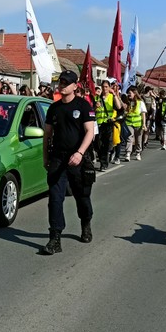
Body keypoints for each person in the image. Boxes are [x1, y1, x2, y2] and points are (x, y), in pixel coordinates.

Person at [41, 70, 95, 255]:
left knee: (82, 197)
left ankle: (85, 223)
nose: (62, 85)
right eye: (60, 82)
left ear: (75, 86)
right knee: (55, 198)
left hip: (78, 159)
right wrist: (45, 157)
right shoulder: (54, 108)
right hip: (58, 158)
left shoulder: (83, 106)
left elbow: (90, 132)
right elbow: (47, 135)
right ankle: (55, 238)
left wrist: (80, 153)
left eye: (66, 82)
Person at [93, 79, 122, 171]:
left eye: (106, 87)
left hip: (108, 123)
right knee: (98, 144)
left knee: (106, 144)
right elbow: (92, 111)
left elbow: (119, 107)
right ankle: (104, 158)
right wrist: (95, 107)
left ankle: (104, 164)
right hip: (99, 124)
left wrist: (114, 95)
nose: (105, 89)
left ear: (109, 87)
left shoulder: (111, 97)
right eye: (103, 87)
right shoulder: (97, 97)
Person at [123, 85, 146, 161]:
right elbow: (124, 112)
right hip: (129, 123)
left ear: (134, 93)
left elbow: (143, 114)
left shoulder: (140, 103)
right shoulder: (127, 103)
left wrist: (144, 124)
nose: (128, 95)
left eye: (130, 93)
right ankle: (128, 153)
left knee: (138, 139)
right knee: (129, 138)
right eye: (128, 93)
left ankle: (138, 152)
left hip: (138, 124)